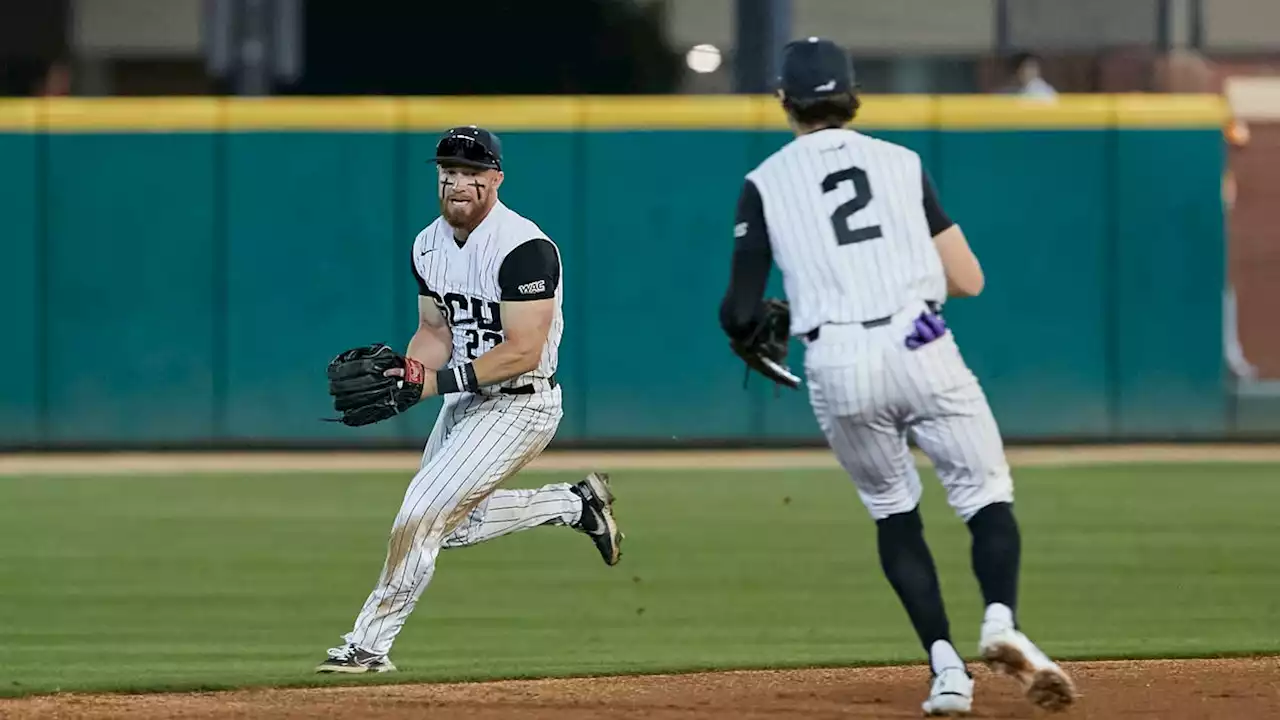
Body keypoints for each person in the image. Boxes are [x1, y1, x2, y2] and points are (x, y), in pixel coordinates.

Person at [718, 37, 1076, 715]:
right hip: (922, 342)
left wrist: (759, 323)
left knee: (894, 513)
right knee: (986, 494)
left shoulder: (763, 183)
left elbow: (739, 310)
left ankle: (946, 673)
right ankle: (1001, 621)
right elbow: (968, 278)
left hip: (838, 362)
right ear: (852, 93)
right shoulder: (902, 162)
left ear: (782, 101)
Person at [317, 125, 624, 674]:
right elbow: (435, 330)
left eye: (472, 173)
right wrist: (411, 373)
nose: (458, 182)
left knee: (419, 515)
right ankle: (574, 504)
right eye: (448, 172)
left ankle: (367, 646)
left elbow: (523, 351)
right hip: (464, 401)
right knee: (450, 526)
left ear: (496, 178)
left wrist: (433, 384)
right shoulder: (427, 243)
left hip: (521, 404)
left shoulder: (525, 249)